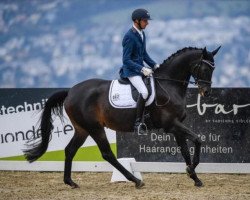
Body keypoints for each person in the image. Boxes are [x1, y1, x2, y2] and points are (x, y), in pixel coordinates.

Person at [119, 8, 160, 134]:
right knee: (144, 92)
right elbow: (126, 60)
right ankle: (138, 123)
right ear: (136, 21)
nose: (147, 23)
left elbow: (144, 54)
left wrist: (155, 65)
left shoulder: (142, 33)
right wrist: (142, 68)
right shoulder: (129, 36)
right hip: (131, 71)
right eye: (145, 21)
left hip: (141, 69)